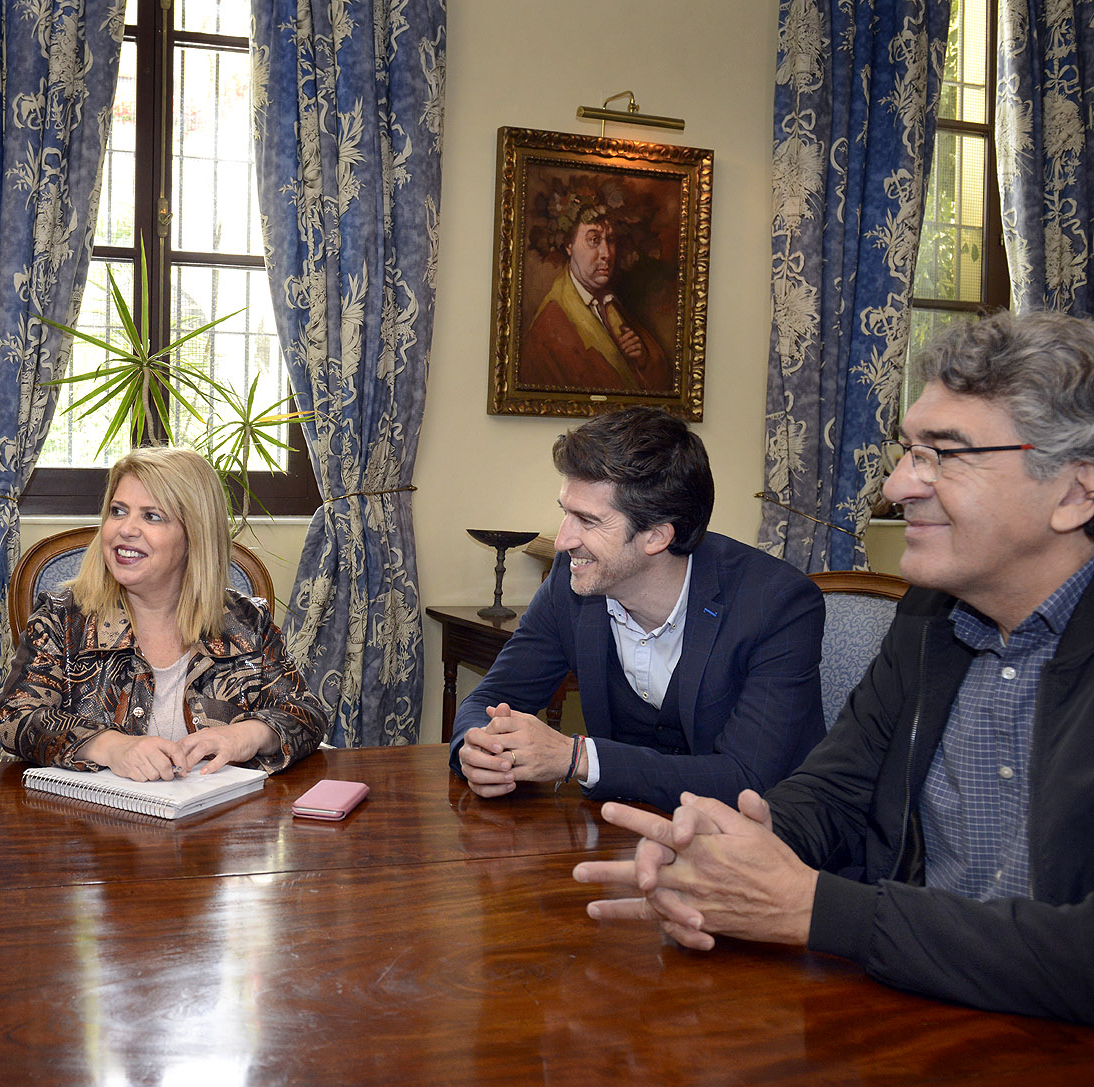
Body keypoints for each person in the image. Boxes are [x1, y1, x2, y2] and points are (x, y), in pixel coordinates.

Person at [575, 311, 1094, 1025]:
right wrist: (733, 848)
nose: (897, 485)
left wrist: (817, 910)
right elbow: (839, 789)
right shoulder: (930, 618)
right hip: (911, 1014)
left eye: (943, 454)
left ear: (1074, 492)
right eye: (908, 451)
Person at [451, 406, 826, 810]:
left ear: (657, 537)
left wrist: (578, 758)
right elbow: (491, 698)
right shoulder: (570, 582)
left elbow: (748, 780)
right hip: (620, 831)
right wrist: (479, 751)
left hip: (762, 837)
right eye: (565, 513)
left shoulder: (778, 605)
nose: (562, 541)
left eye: (587, 521)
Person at [0, 447, 326, 781]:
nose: (126, 529)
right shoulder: (62, 619)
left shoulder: (246, 622)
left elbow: (307, 714)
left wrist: (249, 735)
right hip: (87, 812)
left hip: (214, 810)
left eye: (152, 516)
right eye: (118, 511)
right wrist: (109, 746)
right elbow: (15, 717)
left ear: (195, 535)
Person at [520, 207, 673, 391]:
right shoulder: (549, 325)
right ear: (569, 246)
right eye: (594, 240)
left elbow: (661, 382)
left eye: (610, 240)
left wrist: (641, 359)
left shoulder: (611, 304)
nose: (606, 253)